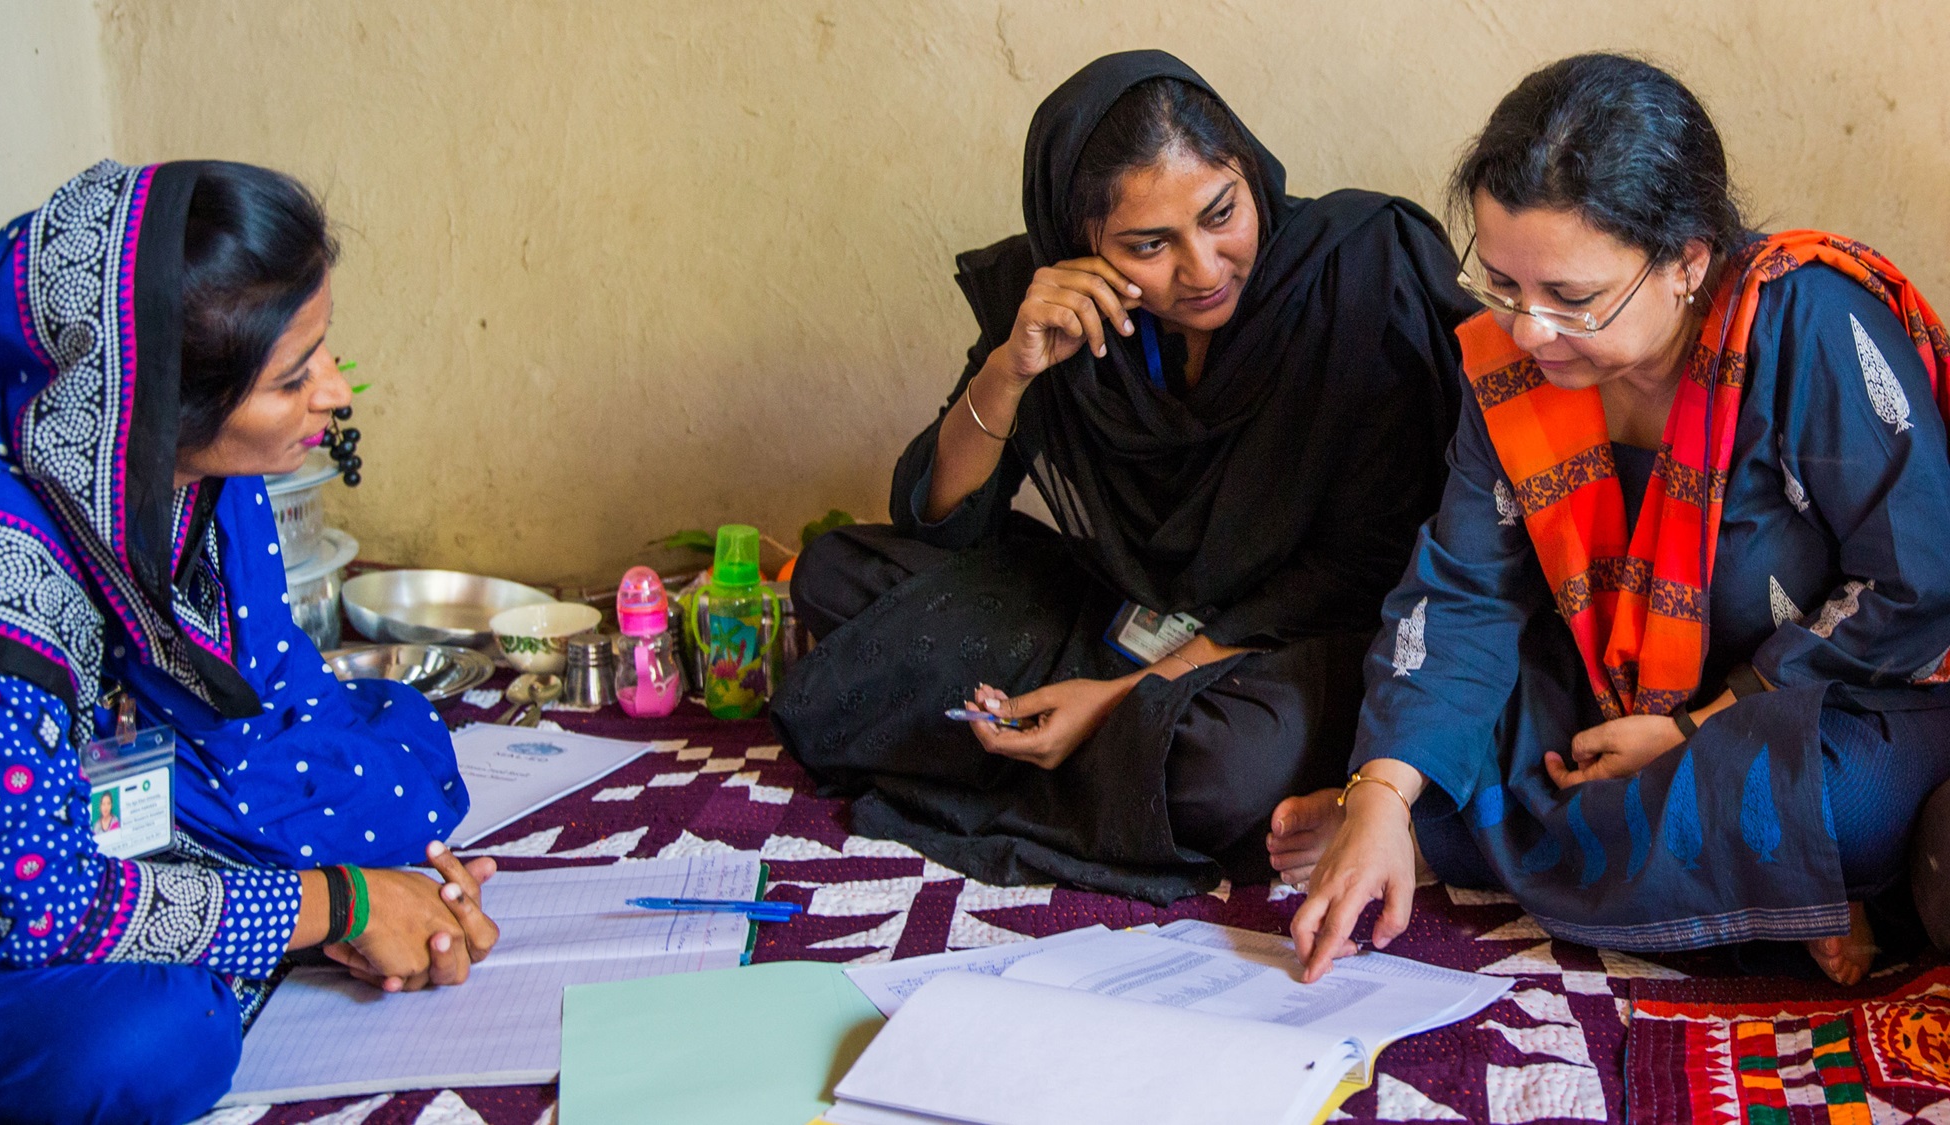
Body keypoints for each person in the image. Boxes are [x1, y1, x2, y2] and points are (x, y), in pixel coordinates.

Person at [1282, 53, 1950, 988]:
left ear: (1687, 261)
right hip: (1605, 691)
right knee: (1432, 736)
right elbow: (1464, 585)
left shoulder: (1806, 328)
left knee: (1839, 801)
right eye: (1505, 284)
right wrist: (1383, 791)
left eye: (1572, 298)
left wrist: (1700, 727)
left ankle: (1495, 846)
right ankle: (1764, 894)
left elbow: (1917, 582)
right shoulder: (1515, 369)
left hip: (1809, 701)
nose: (1528, 331)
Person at [773, 50, 1475, 905]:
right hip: (1124, 613)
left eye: (1222, 214)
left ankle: (1072, 741)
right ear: (1084, 247)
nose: (1205, 267)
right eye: (1150, 245)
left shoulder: (1358, 276)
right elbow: (940, 521)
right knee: (838, 573)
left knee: (1217, 768)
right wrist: (1014, 367)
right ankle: (1094, 765)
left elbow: (1361, 573)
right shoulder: (1052, 310)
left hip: (1288, 647)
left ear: (1250, 173)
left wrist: (1118, 698)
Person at [0, 160, 499, 1124]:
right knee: (155, 1037)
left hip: (97, 794)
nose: (334, 391)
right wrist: (345, 906)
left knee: (397, 775)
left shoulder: (169, 457)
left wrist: (380, 876)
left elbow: (279, 693)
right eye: (293, 378)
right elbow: (38, 907)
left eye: (322, 352)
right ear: (164, 400)